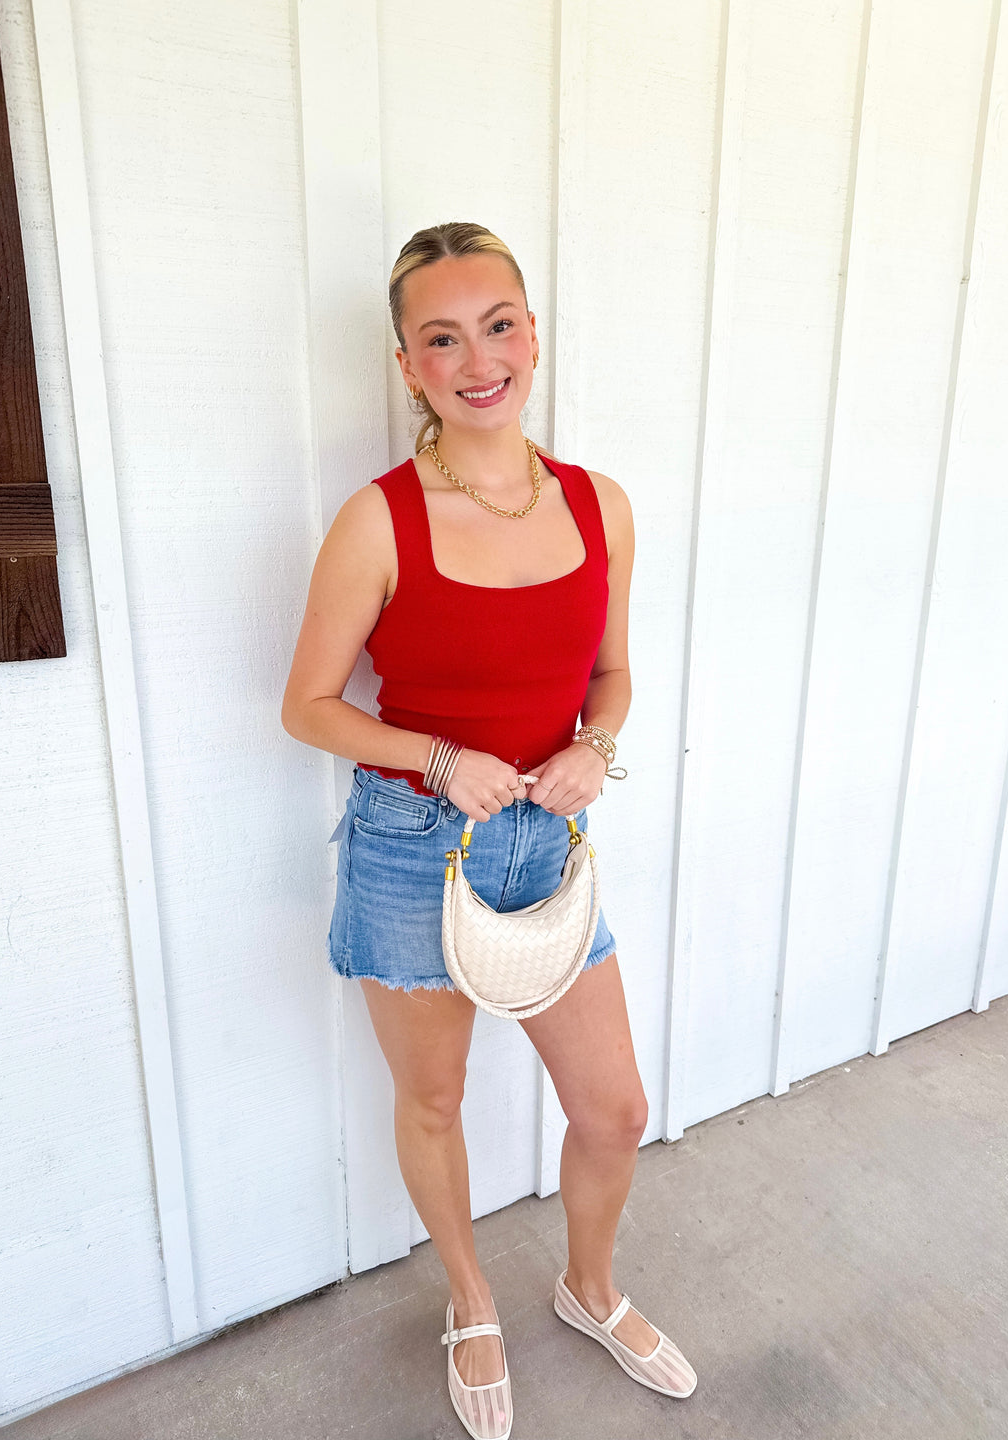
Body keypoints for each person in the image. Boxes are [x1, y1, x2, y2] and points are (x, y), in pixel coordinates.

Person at [281, 222, 696, 1439]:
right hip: (413, 844)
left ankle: (589, 1288)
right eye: (443, 339)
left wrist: (593, 749)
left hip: (547, 848)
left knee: (614, 1109)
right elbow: (307, 707)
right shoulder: (378, 521)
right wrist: (439, 757)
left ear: (532, 334)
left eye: (498, 326)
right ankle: (471, 1301)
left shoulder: (598, 505)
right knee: (434, 1100)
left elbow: (611, 675)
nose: (478, 360)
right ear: (408, 366)